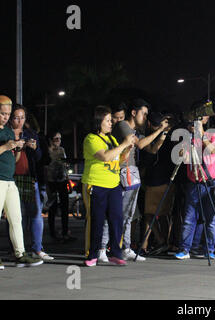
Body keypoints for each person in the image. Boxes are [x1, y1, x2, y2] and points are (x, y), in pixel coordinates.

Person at [97, 99, 156, 262]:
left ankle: (126, 248)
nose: (145, 117)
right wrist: (161, 130)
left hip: (131, 173)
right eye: (143, 113)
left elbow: (151, 149)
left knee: (128, 215)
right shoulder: (123, 125)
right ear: (134, 113)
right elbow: (142, 145)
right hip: (119, 173)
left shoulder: (135, 130)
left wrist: (162, 134)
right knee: (114, 213)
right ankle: (102, 248)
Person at [82, 105, 135, 267]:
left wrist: (126, 150)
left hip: (114, 185)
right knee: (96, 221)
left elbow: (116, 160)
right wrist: (123, 144)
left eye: (111, 120)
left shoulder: (111, 139)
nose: (111, 123)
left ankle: (116, 253)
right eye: (107, 120)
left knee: (116, 219)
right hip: (96, 184)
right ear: (98, 121)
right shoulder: (91, 139)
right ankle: (92, 254)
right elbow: (105, 157)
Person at [0, 95, 43, 268]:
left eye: (7, 114)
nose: (6, 117)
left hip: (10, 180)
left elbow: (15, 159)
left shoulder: (9, 131)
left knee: (16, 218)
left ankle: (20, 253)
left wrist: (18, 147)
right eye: (2, 113)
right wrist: (5, 147)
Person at [9, 105, 54, 261]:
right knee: (15, 216)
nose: (20, 121)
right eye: (16, 117)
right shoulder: (5, 133)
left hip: (28, 177)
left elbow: (41, 158)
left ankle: (37, 248)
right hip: (10, 178)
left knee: (35, 213)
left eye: (22, 117)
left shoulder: (30, 134)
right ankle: (16, 249)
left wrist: (35, 148)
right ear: (10, 118)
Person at [175, 117, 215, 260]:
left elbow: (213, 150)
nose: (192, 127)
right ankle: (185, 249)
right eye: (190, 124)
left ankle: (210, 249)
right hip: (194, 182)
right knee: (189, 217)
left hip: (211, 182)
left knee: (211, 219)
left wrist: (202, 136)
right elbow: (185, 160)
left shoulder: (213, 135)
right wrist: (183, 150)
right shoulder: (188, 139)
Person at [140, 112, 175, 256]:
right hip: (164, 178)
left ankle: (161, 241)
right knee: (163, 214)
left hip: (157, 179)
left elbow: (153, 151)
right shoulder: (169, 135)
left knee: (149, 214)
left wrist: (162, 131)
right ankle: (162, 242)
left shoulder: (162, 136)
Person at [46, 131, 74, 241]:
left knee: (64, 207)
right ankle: (53, 233)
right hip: (51, 180)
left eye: (60, 138)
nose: (58, 141)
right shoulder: (47, 151)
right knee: (52, 208)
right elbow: (45, 167)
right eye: (56, 138)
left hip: (62, 180)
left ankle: (65, 231)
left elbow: (65, 166)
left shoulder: (62, 150)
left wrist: (68, 182)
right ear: (50, 140)